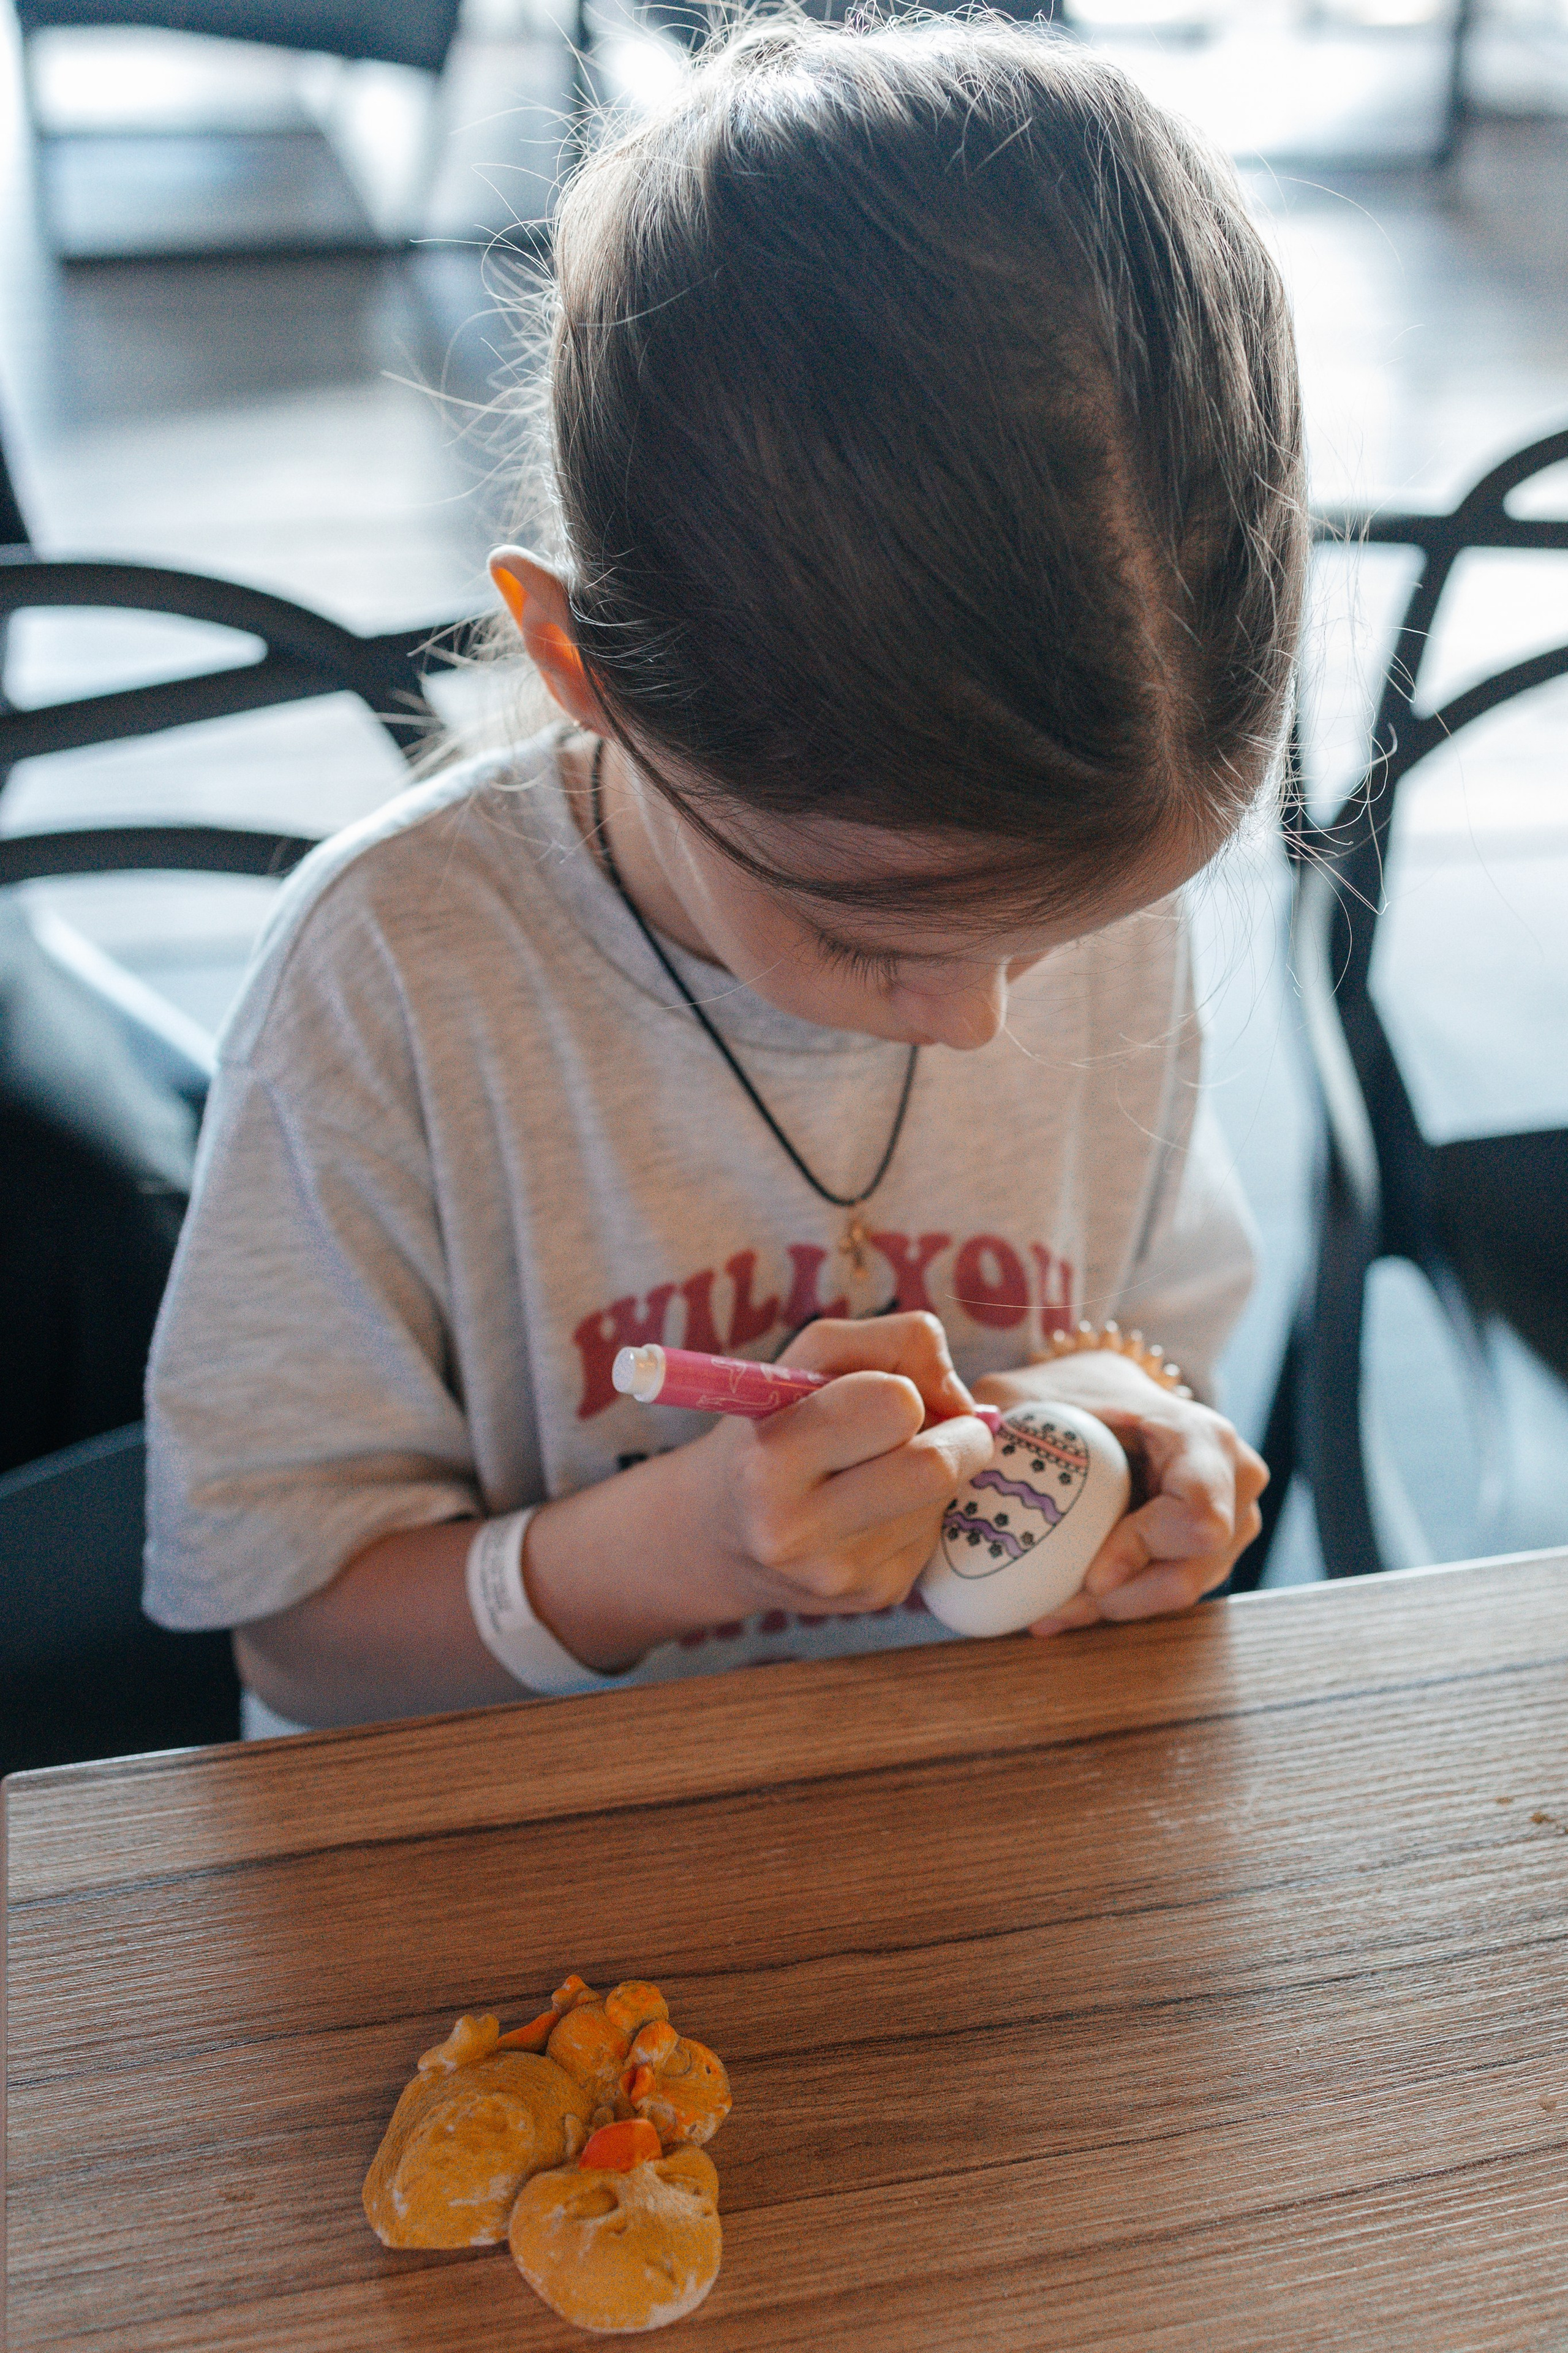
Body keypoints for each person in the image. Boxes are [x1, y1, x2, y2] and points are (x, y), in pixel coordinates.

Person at [145, 10, 1300, 1734]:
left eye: (1071, 936)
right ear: (576, 665)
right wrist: (674, 1548)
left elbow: (1154, 1337)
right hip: (511, 1874)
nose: (980, 1021)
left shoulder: (1056, 889)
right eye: (860, 933)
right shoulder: (397, 975)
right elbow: (288, 1631)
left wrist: (1139, 1431)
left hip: (966, 1815)